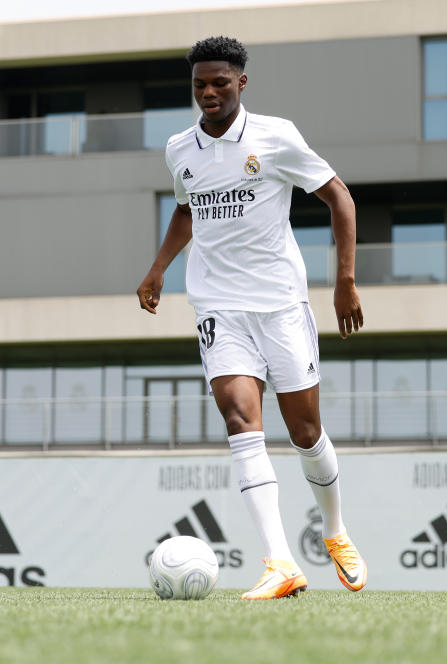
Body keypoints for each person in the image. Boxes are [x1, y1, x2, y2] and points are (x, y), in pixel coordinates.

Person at [137, 36, 367, 600]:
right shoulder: (178, 149)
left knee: (305, 433)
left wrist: (344, 283)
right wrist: (158, 268)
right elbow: (189, 208)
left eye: (219, 82)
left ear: (241, 82)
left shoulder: (276, 136)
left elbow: (340, 197)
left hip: (281, 304)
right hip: (218, 305)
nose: (208, 93)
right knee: (242, 421)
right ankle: (281, 561)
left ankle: (335, 531)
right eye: (199, 85)